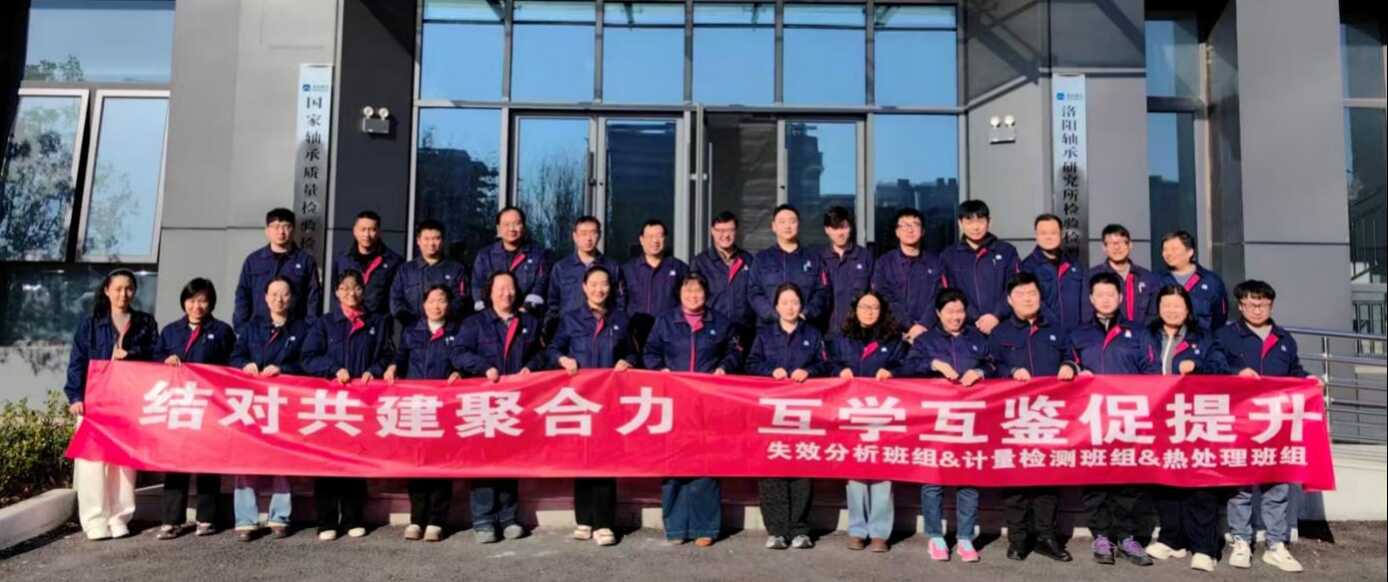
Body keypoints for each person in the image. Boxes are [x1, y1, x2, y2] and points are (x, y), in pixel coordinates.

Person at [1214, 279, 1320, 573]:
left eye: (1262, 304)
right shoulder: (1226, 336)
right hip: (1239, 420)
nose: (1257, 309)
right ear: (1240, 306)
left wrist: (1308, 380)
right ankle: (1241, 540)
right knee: (1241, 486)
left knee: (1277, 484)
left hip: (1275, 423)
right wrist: (1236, 372)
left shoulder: (1284, 339)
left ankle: (1276, 544)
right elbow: (1213, 366)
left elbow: (1294, 371)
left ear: (1271, 305)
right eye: (1250, 304)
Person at [642, 272, 741, 547]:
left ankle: (705, 527)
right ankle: (676, 528)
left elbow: (734, 352)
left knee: (705, 463)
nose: (693, 295)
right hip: (673, 402)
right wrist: (659, 370)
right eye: (688, 290)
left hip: (707, 402)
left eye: (698, 290)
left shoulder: (720, 322)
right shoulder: (665, 321)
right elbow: (650, 352)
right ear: (679, 294)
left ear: (706, 294)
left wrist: (725, 367)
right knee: (673, 462)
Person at [987, 272, 1076, 563]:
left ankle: (1046, 537)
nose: (1028, 299)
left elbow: (1072, 356)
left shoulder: (1056, 329)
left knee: (1048, 479)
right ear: (1010, 300)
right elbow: (990, 366)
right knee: (1015, 481)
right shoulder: (1000, 333)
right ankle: (1018, 539)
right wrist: (1011, 372)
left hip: (1050, 417)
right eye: (1021, 294)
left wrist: (1069, 365)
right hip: (1013, 418)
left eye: (1033, 293)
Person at [1071, 272, 1158, 566]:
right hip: (1092, 420)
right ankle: (1101, 536)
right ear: (1091, 299)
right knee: (1095, 480)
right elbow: (1069, 365)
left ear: (1120, 298)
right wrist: (1075, 371)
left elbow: (1151, 371)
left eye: (1111, 294)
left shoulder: (1138, 332)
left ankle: (1127, 536)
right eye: (1100, 295)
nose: (1106, 299)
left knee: (1128, 481)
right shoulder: (1079, 334)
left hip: (1128, 417)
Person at [546, 266, 637, 547]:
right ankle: (584, 519)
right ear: (584, 287)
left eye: (604, 284)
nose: (599, 289)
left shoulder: (620, 319)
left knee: (606, 459)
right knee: (582, 458)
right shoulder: (571, 318)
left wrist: (627, 362)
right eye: (594, 284)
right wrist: (563, 360)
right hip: (581, 399)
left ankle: (605, 522)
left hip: (609, 400)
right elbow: (552, 350)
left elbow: (633, 352)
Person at [65, 269, 158, 541]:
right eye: (117, 288)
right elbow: (77, 362)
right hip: (95, 402)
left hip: (128, 402)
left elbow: (155, 356)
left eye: (128, 288)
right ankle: (94, 519)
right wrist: (75, 397)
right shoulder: (91, 324)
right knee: (92, 463)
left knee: (124, 463)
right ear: (107, 290)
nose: (123, 294)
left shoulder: (144, 323)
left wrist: (131, 355)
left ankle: (119, 517)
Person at [302, 269, 396, 541]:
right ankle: (326, 521)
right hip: (330, 404)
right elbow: (308, 357)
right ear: (336, 292)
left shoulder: (377, 321)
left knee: (356, 459)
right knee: (327, 462)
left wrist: (373, 370)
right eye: (344, 288)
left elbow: (387, 354)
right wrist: (333, 369)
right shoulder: (325, 323)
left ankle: (354, 517)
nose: (350, 293)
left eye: (355, 287)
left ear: (363, 291)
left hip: (361, 403)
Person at [454, 270, 545, 544]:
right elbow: (458, 353)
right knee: (483, 460)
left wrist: (531, 367)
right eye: (500, 289)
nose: (506, 293)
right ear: (489, 292)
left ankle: (509, 517)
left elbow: (542, 353)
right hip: (483, 402)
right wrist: (483, 367)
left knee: (510, 458)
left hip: (515, 403)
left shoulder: (529, 322)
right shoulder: (474, 323)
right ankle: (483, 519)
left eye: (510, 288)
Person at [1143, 284, 1229, 572]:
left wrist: (1198, 367)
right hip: (1157, 418)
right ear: (1158, 308)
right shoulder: (1147, 336)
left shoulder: (1203, 337)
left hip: (1193, 419)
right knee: (1164, 478)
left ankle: (1204, 547)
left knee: (1199, 481)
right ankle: (1172, 539)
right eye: (1166, 305)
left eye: (1178, 305)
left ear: (1188, 309)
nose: (1172, 310)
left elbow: (1221, 368)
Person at [907, 288, 989, 562]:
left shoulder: (977, 338)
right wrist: (935, 365)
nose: (956, 317)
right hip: (935, 420)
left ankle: (965, 537)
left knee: (968, 479)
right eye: (950, 311)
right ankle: (936, 536)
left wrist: (979, 372)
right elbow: (908, 367)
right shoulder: (925, 340)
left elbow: (994, 365)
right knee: (933, 480)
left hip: (970, 420)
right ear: (938, 313)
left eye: (960, 311)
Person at [746, 283, 829, 551]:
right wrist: (770, 371)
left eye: (794, 302)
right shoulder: (764, 335)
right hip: (772, 413)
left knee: (802, 466)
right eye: (785, 302)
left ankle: (800, 529)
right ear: (776, 306)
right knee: (772, 467)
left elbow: (825, 363)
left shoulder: (813, 334)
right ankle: (777, 530)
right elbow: (751, 364)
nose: (790, 307)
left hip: (804, 413)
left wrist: (809, 371)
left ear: (801, 305)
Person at [154, 278, 238, 540]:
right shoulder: (170, 331)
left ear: (211, 303)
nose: (197, 306)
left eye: (203, 300)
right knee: (175, 463)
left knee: (207, 462)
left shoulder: (222, 331)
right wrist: (165, 360)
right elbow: (153, 360)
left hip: (210, 406)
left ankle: (206, 518)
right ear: (184, 302)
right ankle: (171, 520)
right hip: (179, 405)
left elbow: (233, 363)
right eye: (191, 300)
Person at [228, 276, 308, 542]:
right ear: (264, 298)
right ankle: (246, 519)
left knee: (282, 458)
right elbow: (235, 356)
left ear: (291, 298)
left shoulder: (302, 328)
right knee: (246, 458)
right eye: (273, 294)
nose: (278, 299)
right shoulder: (252, 327)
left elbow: (308, 362)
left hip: (284, 403)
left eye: (284, 294)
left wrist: (284, 369)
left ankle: (280, 516)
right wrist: (245, 365)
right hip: (252, 403)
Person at [384, 284, 463, 543]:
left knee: (441, 463)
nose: (436, 305)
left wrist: (460, 373)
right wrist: (393, 367)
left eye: (442, 300)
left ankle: (437, 521)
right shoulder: (412, 331)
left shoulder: (457, 331)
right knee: (417, 463)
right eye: (431, 300)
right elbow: (401, 357)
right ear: (423, 305)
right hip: (416, 406)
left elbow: (463, 359)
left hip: (444, 407)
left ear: (448, 305)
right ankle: (417, 518)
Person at [827, 289, 905, 552]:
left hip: (883, 415)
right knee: (856, 472)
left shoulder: (894, 340)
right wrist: (839, 370)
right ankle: (857, 530)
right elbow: (828, 364)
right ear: (855, 310)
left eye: (874, 307)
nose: (869, 311)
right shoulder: (842, 339)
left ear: (882, 311)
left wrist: (892, 371)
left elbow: (908, 365)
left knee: (883, 473)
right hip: (852, 415)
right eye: (864, 307)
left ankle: (880, 532)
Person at [940, 200, 1020, 335]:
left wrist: (997, 315)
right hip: (966, 328)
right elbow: (949, 291)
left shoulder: (1007, 251)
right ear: (960, 223)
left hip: (1003, 325)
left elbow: (1016, 287)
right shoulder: (949, 256)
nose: (975, 227)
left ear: (989, 222)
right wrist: (975, 318)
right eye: (969, 222)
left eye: (980, 221)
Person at [233, 207, 323, 326]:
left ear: (293, 229)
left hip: (294, 329)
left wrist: (309, 328)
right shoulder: (254, 261)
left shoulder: (305, 261)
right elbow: (243, 294)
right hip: (259, 328)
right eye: (276, 227)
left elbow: (314, 297)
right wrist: (242, 327)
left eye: (286, 226)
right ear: (267, 231)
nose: (281, 232)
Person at [870, 208, 944, 345]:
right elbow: (883, 297)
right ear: (897, 232)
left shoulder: (936, 262)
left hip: (928, 333)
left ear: (923, 231)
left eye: (915, 225)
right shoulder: (884, 263)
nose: (910, 230)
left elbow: (939, 296)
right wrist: (909, 326)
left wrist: (923, 325)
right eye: (905, 225)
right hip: (893, 334)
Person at [749, 205, 829, 328]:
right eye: (782, 222)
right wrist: (775, 316)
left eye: (792, 221)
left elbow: (822, 292)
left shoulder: (814, 258)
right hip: (770, 329)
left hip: (805, 328)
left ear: (798, 225)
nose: (787, 226)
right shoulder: (762, 259)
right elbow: (754, 292)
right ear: (774, 226)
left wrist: (805, 314)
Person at [546, 215, 623, 336]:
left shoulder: (612, 267)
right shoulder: (561, 267)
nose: (588, 238)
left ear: (599, 235)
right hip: (570, 332)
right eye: (583, 233)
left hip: (603, 332)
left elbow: (620, 301)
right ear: (575, 236)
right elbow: (553, 303)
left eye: (593, 233)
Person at [691, 211, 757, 349]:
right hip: (712, 331)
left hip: (744, 332)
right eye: (720, 230)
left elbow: (755, 294)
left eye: (730, 230)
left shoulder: (748, 260)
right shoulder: (700, 262)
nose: (725, 235)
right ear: (712, 231)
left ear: (736, 231)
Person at [390, 219, 469, 330]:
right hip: (413, 331)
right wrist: (414, 324)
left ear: (442, 240)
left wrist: (439, 320)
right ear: (418, 241)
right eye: (426, 239)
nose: (431, 244)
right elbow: (396, 301)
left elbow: (461, 301)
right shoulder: (405, 270)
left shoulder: (456, 269)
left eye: (436, 238)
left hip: (447, 331)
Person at [470, 206, 550, 315]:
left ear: (524, 227)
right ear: (498, 228)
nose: (512, 229)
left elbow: (541, 285)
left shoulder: (539, 255)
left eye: (517, 224)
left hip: (527, 315)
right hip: (491, 317)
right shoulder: (484, 256)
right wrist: (490, 314)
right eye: (506, 224)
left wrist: (524, 310)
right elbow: (477, 286)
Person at [622, 219, 688, 346]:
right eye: (650, 236)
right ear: (641, 240)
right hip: (635, 336)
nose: (655, 241)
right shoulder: (628, 270)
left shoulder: (680, 268)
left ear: (665, 239)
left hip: (669, 334)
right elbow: (621, 303)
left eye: (659, 236)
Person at [1021, 214, 1086, 331]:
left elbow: (1085, 301)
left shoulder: (1074, 264)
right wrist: (1054, 327)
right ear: (1036, 235)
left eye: (1053, 233)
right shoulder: (1027, 267)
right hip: (1045, 333)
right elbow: (1030, 302)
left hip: (1076, 334)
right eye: (1043, 233)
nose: (1048, 237)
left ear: (1061, 234)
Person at [332, 210, 404, 315]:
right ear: (354, 231)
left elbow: (397, 297)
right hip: (349, 320)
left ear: (379, 232)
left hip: (380, 321)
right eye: (363, 229)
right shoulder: (342, 259)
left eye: (372, 230)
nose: (366, 234)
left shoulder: (394, 261)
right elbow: (335, 291)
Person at [1089, 223, 1161, 326]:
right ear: (1104, 248)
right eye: (1111, 243)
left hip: (1142, 334)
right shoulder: (1091, 276)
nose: (1117, 247)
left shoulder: (1148, 278)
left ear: (1130, 245)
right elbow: (1087, 315)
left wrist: (1140, 333)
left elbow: (1154, 315)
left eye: (1122, 242)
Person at [1158, 230, 1228, 332]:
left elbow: (1220, 319)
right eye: (1165, 249)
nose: (1168, 253)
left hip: (1203, 339)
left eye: (1174, 249)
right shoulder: (1158, 280)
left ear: (1190, 252)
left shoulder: (1211, 281)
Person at [819, 206, 874, 333]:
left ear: (851, 228)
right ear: (827, 230)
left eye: (844, 227)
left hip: (858, 331)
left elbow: (873, 295)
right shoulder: (819, 258)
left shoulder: (864, 256)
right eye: (835, 228)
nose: (840, 233)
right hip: (827, 332)